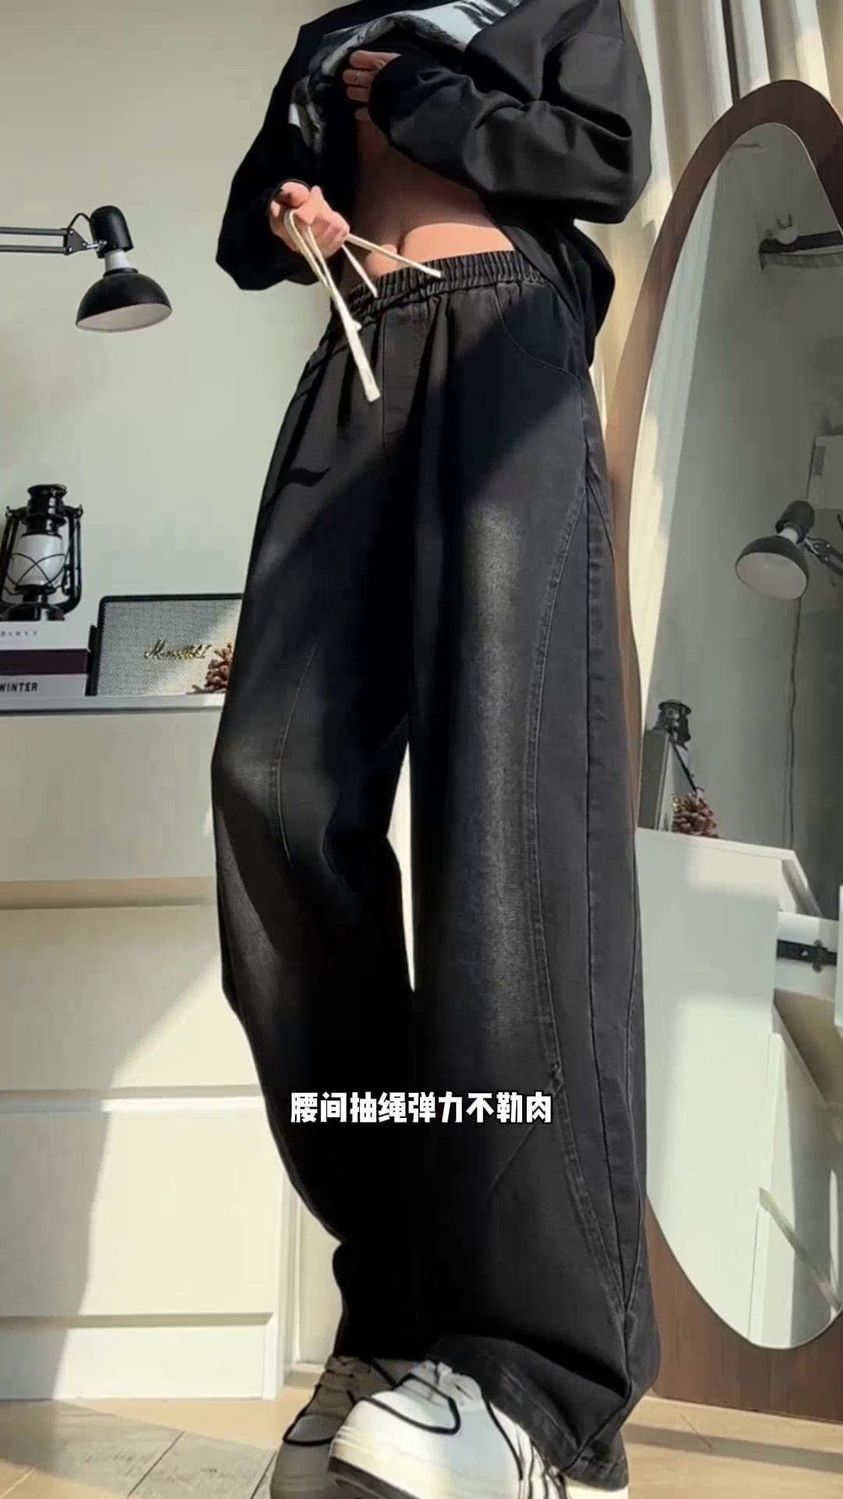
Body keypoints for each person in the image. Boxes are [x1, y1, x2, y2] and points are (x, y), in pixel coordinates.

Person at [210, 2, 658, 1496]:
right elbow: (247, 229)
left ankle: (543, 1390)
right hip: (355, 355)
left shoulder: (549, 6)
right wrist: (294, 208)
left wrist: (418, 96)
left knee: (509, 830)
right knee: (274, 798)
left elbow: (602, 160)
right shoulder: (327, 27)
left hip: (501, 341)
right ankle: (402, 1306)